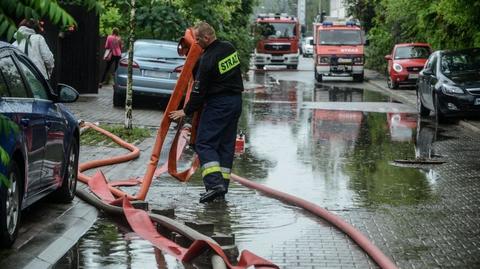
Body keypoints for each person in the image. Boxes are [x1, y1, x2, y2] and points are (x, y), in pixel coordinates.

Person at [169, 22, 243, 203]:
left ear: (207, 38)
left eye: (198, 40)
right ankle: (221, 189)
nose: (197, 44)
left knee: (204, 144)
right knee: (225, 145)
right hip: (235, 102)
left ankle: (214, 184)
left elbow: (198, 92)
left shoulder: (207, 59)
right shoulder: (229, 48)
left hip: (218, 104)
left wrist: (185, 111)